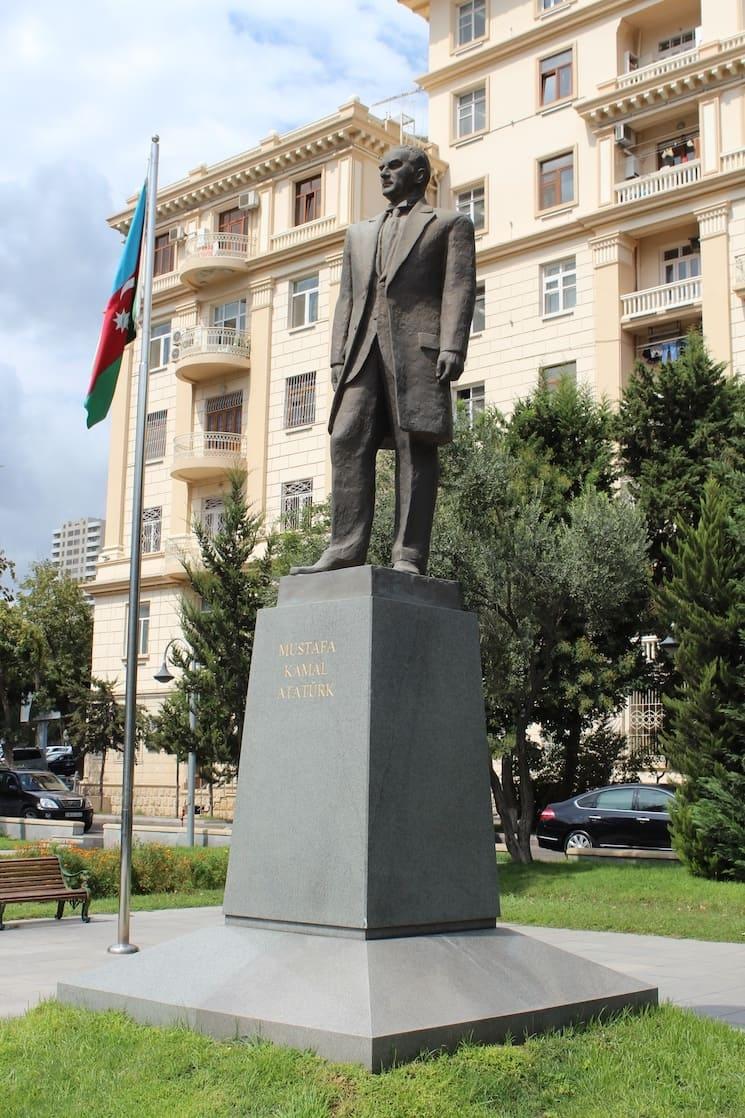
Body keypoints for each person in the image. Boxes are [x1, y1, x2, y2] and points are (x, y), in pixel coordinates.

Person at [290, 144, 476, 577]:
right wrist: (338, 354)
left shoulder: (449, 224)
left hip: (419, 353)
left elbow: (459, 288)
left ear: (419, 174)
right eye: (380, 168)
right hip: (362, 350)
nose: (384, 174)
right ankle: (345, 547)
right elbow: (347, 298)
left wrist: (453, 345)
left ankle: (408, 555)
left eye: (394, 166)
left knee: (416, 446)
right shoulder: (358, 233)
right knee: (346, 436)